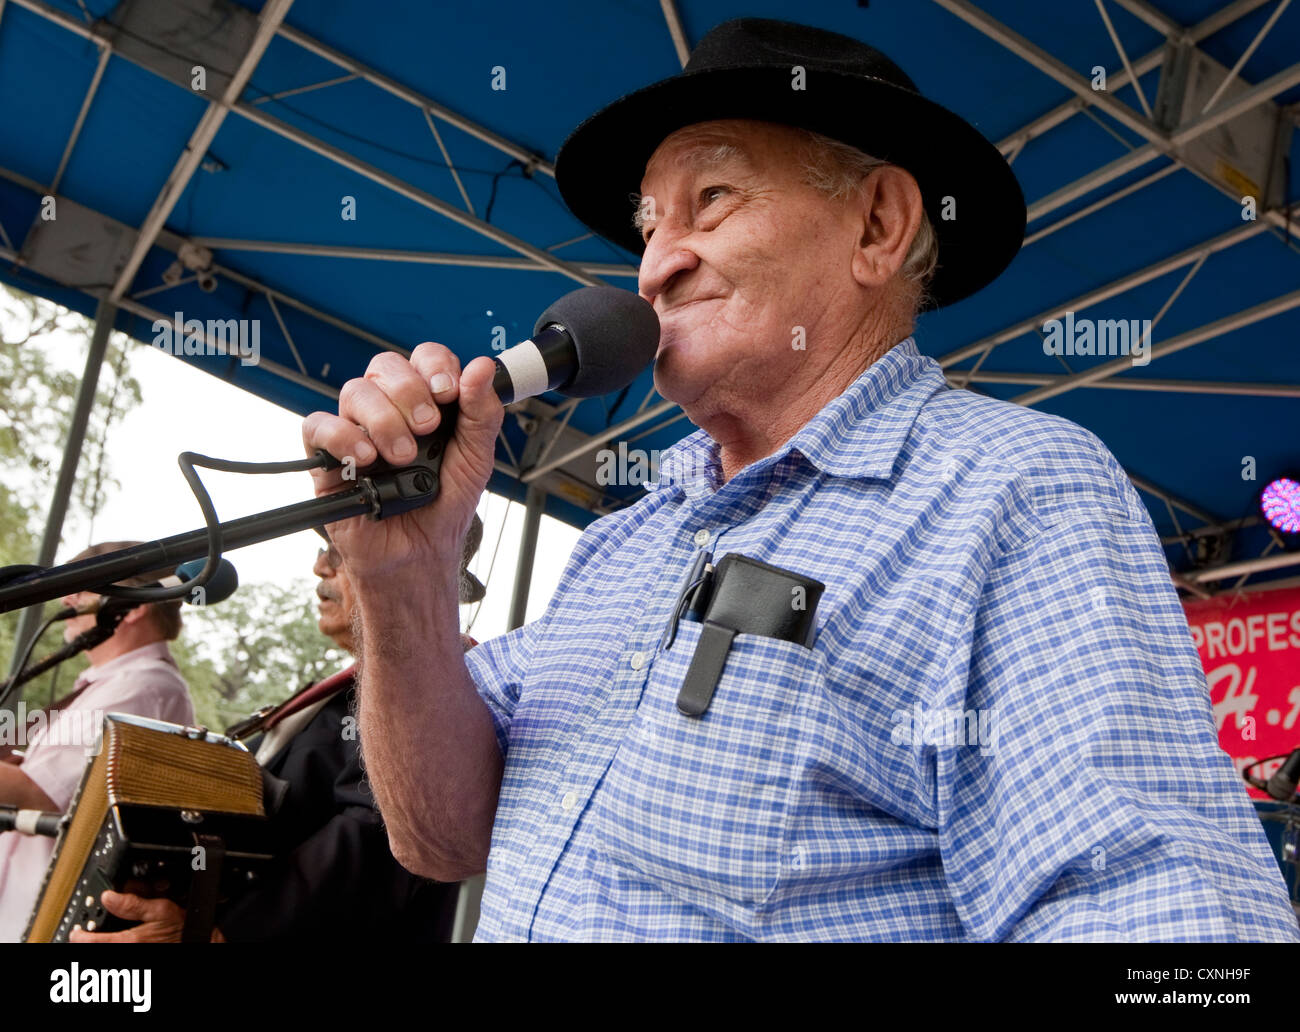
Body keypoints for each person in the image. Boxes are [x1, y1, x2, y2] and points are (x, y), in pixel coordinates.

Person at [299, 19, 1300, 941]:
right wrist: (405, 576)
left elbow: (1164, 925)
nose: (653, 268)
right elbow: (441, 837)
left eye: (712, 200)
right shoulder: (620, 543)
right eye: (647, 226)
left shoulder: (1012, 492)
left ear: (877, 225)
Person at [71, 518, 486, 942]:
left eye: (339, 552)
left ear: (413, 575)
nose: (320, 567)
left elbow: (377, 837)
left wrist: (220, 933)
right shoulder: (347, 692)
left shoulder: (430, 690)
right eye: (325, 550)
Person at [0, 541, 193, 942]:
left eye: (81, 588)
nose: (66, 599)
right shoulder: (117, 684)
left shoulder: (142, 686)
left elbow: (38, 794)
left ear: (132, 605)